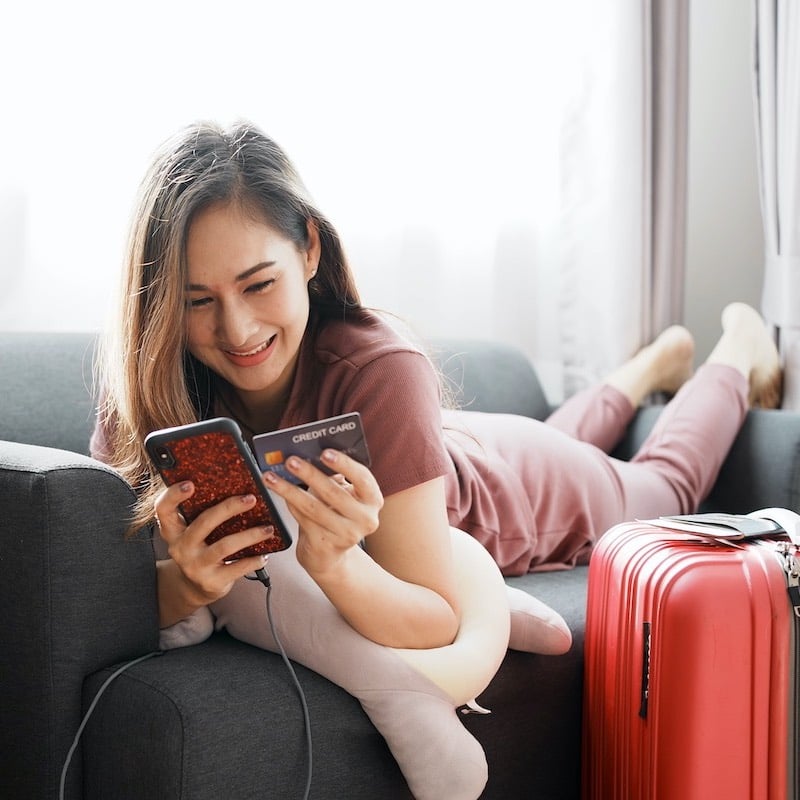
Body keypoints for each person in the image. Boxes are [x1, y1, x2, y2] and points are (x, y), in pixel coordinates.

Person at [91, 119, 781, 800]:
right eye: (197, 301)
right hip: (444, 443)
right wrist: (189, 586)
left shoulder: (381, 366)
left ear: (307, 249)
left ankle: (735, 355)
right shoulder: (149, 386)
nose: (236, 329)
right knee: (563, 437)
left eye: (258, 284)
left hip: (512, 493)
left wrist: (334, 563)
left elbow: (434, 620)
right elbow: (106, 596)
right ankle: (639, 375)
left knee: (663, 486)